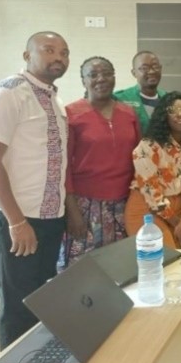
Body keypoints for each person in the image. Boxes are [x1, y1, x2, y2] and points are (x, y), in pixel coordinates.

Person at [0, 31, 70, 349]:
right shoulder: (9, 93)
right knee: (18, 306)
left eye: (64, 53)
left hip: (50, 219)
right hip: (20, 219)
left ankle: (36, 358)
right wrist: (16, 222)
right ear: (27, 56)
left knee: (39, 300)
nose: (58, 58)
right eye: (49, 50)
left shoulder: (54, 97)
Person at [62, 56, 140, 268]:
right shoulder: (71, 114)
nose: (101, 79)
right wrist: (72, 211)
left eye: (107, 73)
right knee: (81, 271)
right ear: (83, 80)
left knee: (120, 269)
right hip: (85, 205)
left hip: (124, 204)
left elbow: (139, 160)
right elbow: (64, 166)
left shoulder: (128, 113)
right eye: (93, 74)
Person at [124, 91, 181, 249]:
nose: (180, 115)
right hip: (146, 208)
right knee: (163, 260)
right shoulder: (148, 147)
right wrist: (178, 224)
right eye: (173, 111)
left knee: (177, 263)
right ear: (164, 115)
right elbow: (152, 194)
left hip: (178, 210)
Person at [114, 51, 167, 134]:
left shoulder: (167, 99)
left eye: (155, 66)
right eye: (144, 68)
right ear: (134, 73)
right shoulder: (120, 98)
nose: (151, 71)